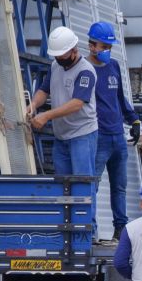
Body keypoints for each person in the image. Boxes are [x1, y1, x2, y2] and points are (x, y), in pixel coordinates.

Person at [28, 26, 99, 239]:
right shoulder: (55, 66)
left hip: (82, 134)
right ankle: (67, 232)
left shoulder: (86, 71)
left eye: (62, 55)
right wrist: (33, 105)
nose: (59, 58)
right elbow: (43, 90)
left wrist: (46, 116)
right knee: (64, 185)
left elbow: (77, 103)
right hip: (62, 136)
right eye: (56, 55)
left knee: (83, 185)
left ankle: (88, 233)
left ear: (74, 50)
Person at [85, 21, 142, 242]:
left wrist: (134, 120)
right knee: (93, 185)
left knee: (119, 186)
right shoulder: (84, 68)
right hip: (97, 136)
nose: (107, 51)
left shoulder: (114, 66)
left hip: (117, 136)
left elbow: (119, 98)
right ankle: (91, 230)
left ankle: (121, 229)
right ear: (92, 46)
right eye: (104, 47)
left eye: (109, 47)